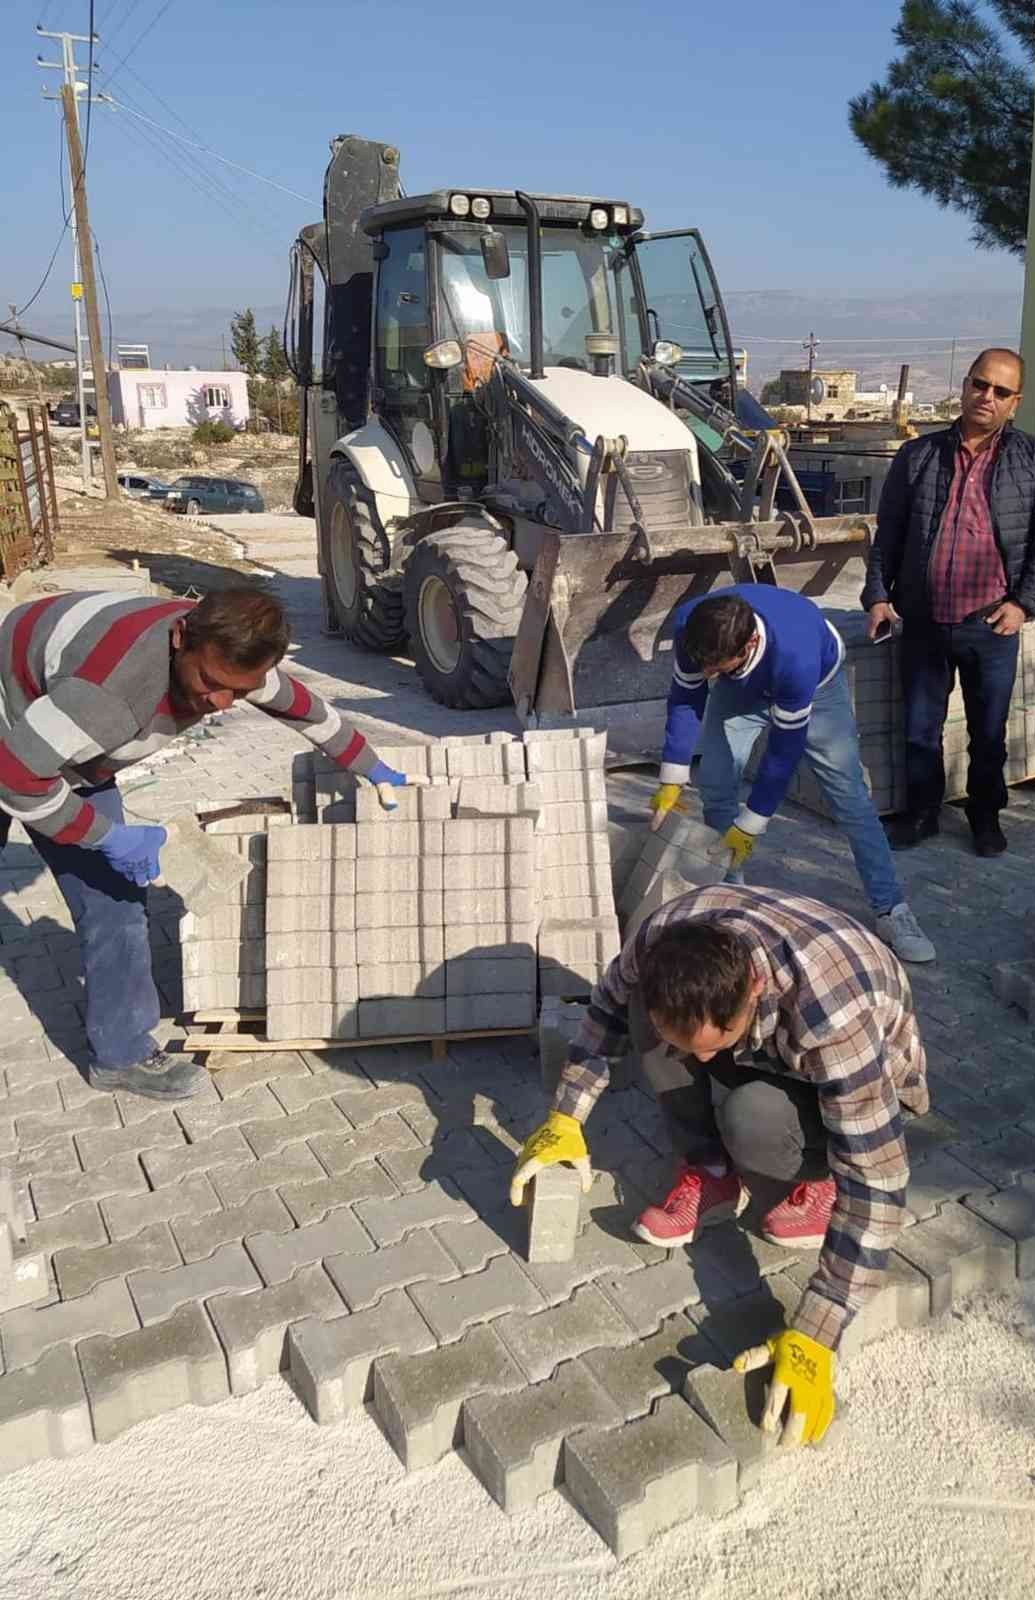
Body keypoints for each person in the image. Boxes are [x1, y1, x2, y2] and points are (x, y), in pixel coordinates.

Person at [511, 884, 927, 1449]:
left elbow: (878, 1178)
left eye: (719, 1041)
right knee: (643, 1016)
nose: (700, 1061)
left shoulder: (832, 1019)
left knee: (751, 1120)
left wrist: (816, 1333)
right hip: (765, 1026)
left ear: (753, 986)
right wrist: (566, 1118)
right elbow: (606, 1009)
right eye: (692, 1044)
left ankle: (817, 1180)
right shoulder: (655, 941)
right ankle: (709, 1173)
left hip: (858, 1076)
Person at [0, 585, 415, 1101]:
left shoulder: (228, 652)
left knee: (116, 902)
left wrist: (368, 763)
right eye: (211, 684)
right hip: (15, 716)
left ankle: (120, 1055)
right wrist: (106, 836)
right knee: (69, 828)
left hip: (64, 731)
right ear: (179, 638)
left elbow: (303, 707)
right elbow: (15, 776)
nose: (220, 704)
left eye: (239, 693)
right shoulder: (108, 695)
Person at [647, 583, 934, 964]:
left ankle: (891, 909)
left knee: (850, 799)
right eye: (704, 664)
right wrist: (672, 777)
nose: (706, 673)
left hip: (815, 687)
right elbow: (686, 697)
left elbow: (783, 752)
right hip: (742, 688)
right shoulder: (692, 628)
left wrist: (752, 823)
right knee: (715, 784)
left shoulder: (794, 655)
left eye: (715, 667)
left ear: (748, 644)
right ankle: (730, 899)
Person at [862, 348, 1035, 857]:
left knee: (989, 732)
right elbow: (888, 532)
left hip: (991, 624)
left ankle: (985, 817)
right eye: (980, 384)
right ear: (965, 386)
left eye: (1001, 392)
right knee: (918, 730)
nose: (987, 397)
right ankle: (921, 815)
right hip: (926, 619)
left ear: (1014, 403)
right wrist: (878, 595)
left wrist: (1025, 603)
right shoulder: (919, 455)